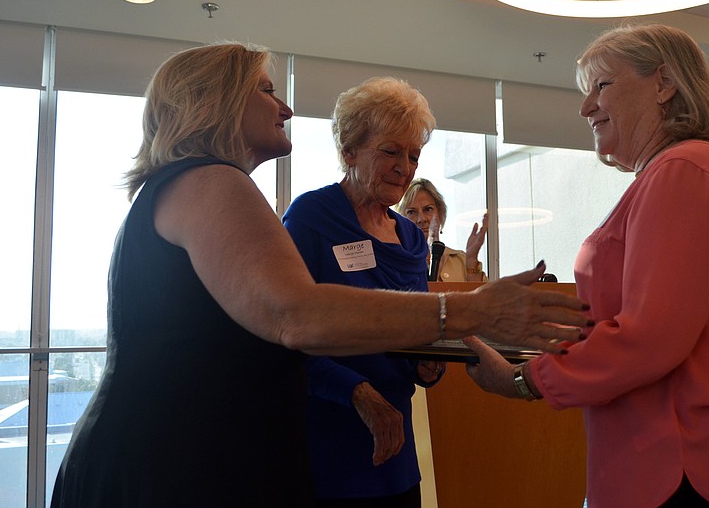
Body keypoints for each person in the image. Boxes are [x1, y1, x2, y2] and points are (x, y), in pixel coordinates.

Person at [49, 43, 591, 508]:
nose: (284, 106)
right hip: (169, 468)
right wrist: (474, 307)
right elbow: (297, 316)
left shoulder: (188, 186)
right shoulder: (211, 181)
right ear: (213, 101)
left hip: (178, 458)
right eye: (265, 90)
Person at [464, 24, 709, 508]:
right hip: (678, 459)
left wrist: (523, 381)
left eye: (601, 86)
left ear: (664, 84)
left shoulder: (685, 172)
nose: (585, 108)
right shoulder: (676, 175)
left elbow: (649, 338)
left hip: (693, 465)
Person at [283, 77, 443, 507]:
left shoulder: (411, 238)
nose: (405, 168)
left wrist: (430, 365)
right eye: (390, 151)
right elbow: (285, 333)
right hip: (330, 443)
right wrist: (360, 393)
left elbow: (417, 339)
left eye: (413, 155)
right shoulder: (311, 218)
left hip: (397, 454)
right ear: (349, 151)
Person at [396, 178, 489, 282]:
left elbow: (484, 297)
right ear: (400, 218)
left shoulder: (460, 260)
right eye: (411, 212)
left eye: (428, 209)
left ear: (440, 214)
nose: (421, 219)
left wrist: (472, 261)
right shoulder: (396, 262)